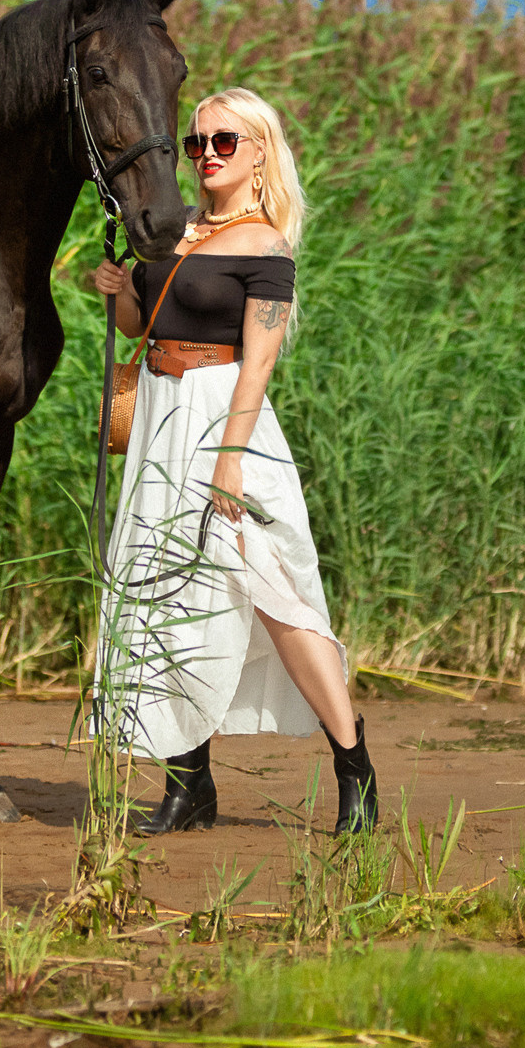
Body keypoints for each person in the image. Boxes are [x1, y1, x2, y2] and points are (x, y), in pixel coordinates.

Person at [90, 86, 377, 836]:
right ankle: (190, 787)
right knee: (165, 594)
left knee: (274, 589)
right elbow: (141, 324)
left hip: (225, 420)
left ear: (259, 154)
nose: (206, 155)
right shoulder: (170, 228)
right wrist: (119, 291)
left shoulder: (265, 246)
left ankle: (355, 766)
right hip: (159, 412)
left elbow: (258, 365)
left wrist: (231, 457)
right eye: (196, 142)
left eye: (223, 142)